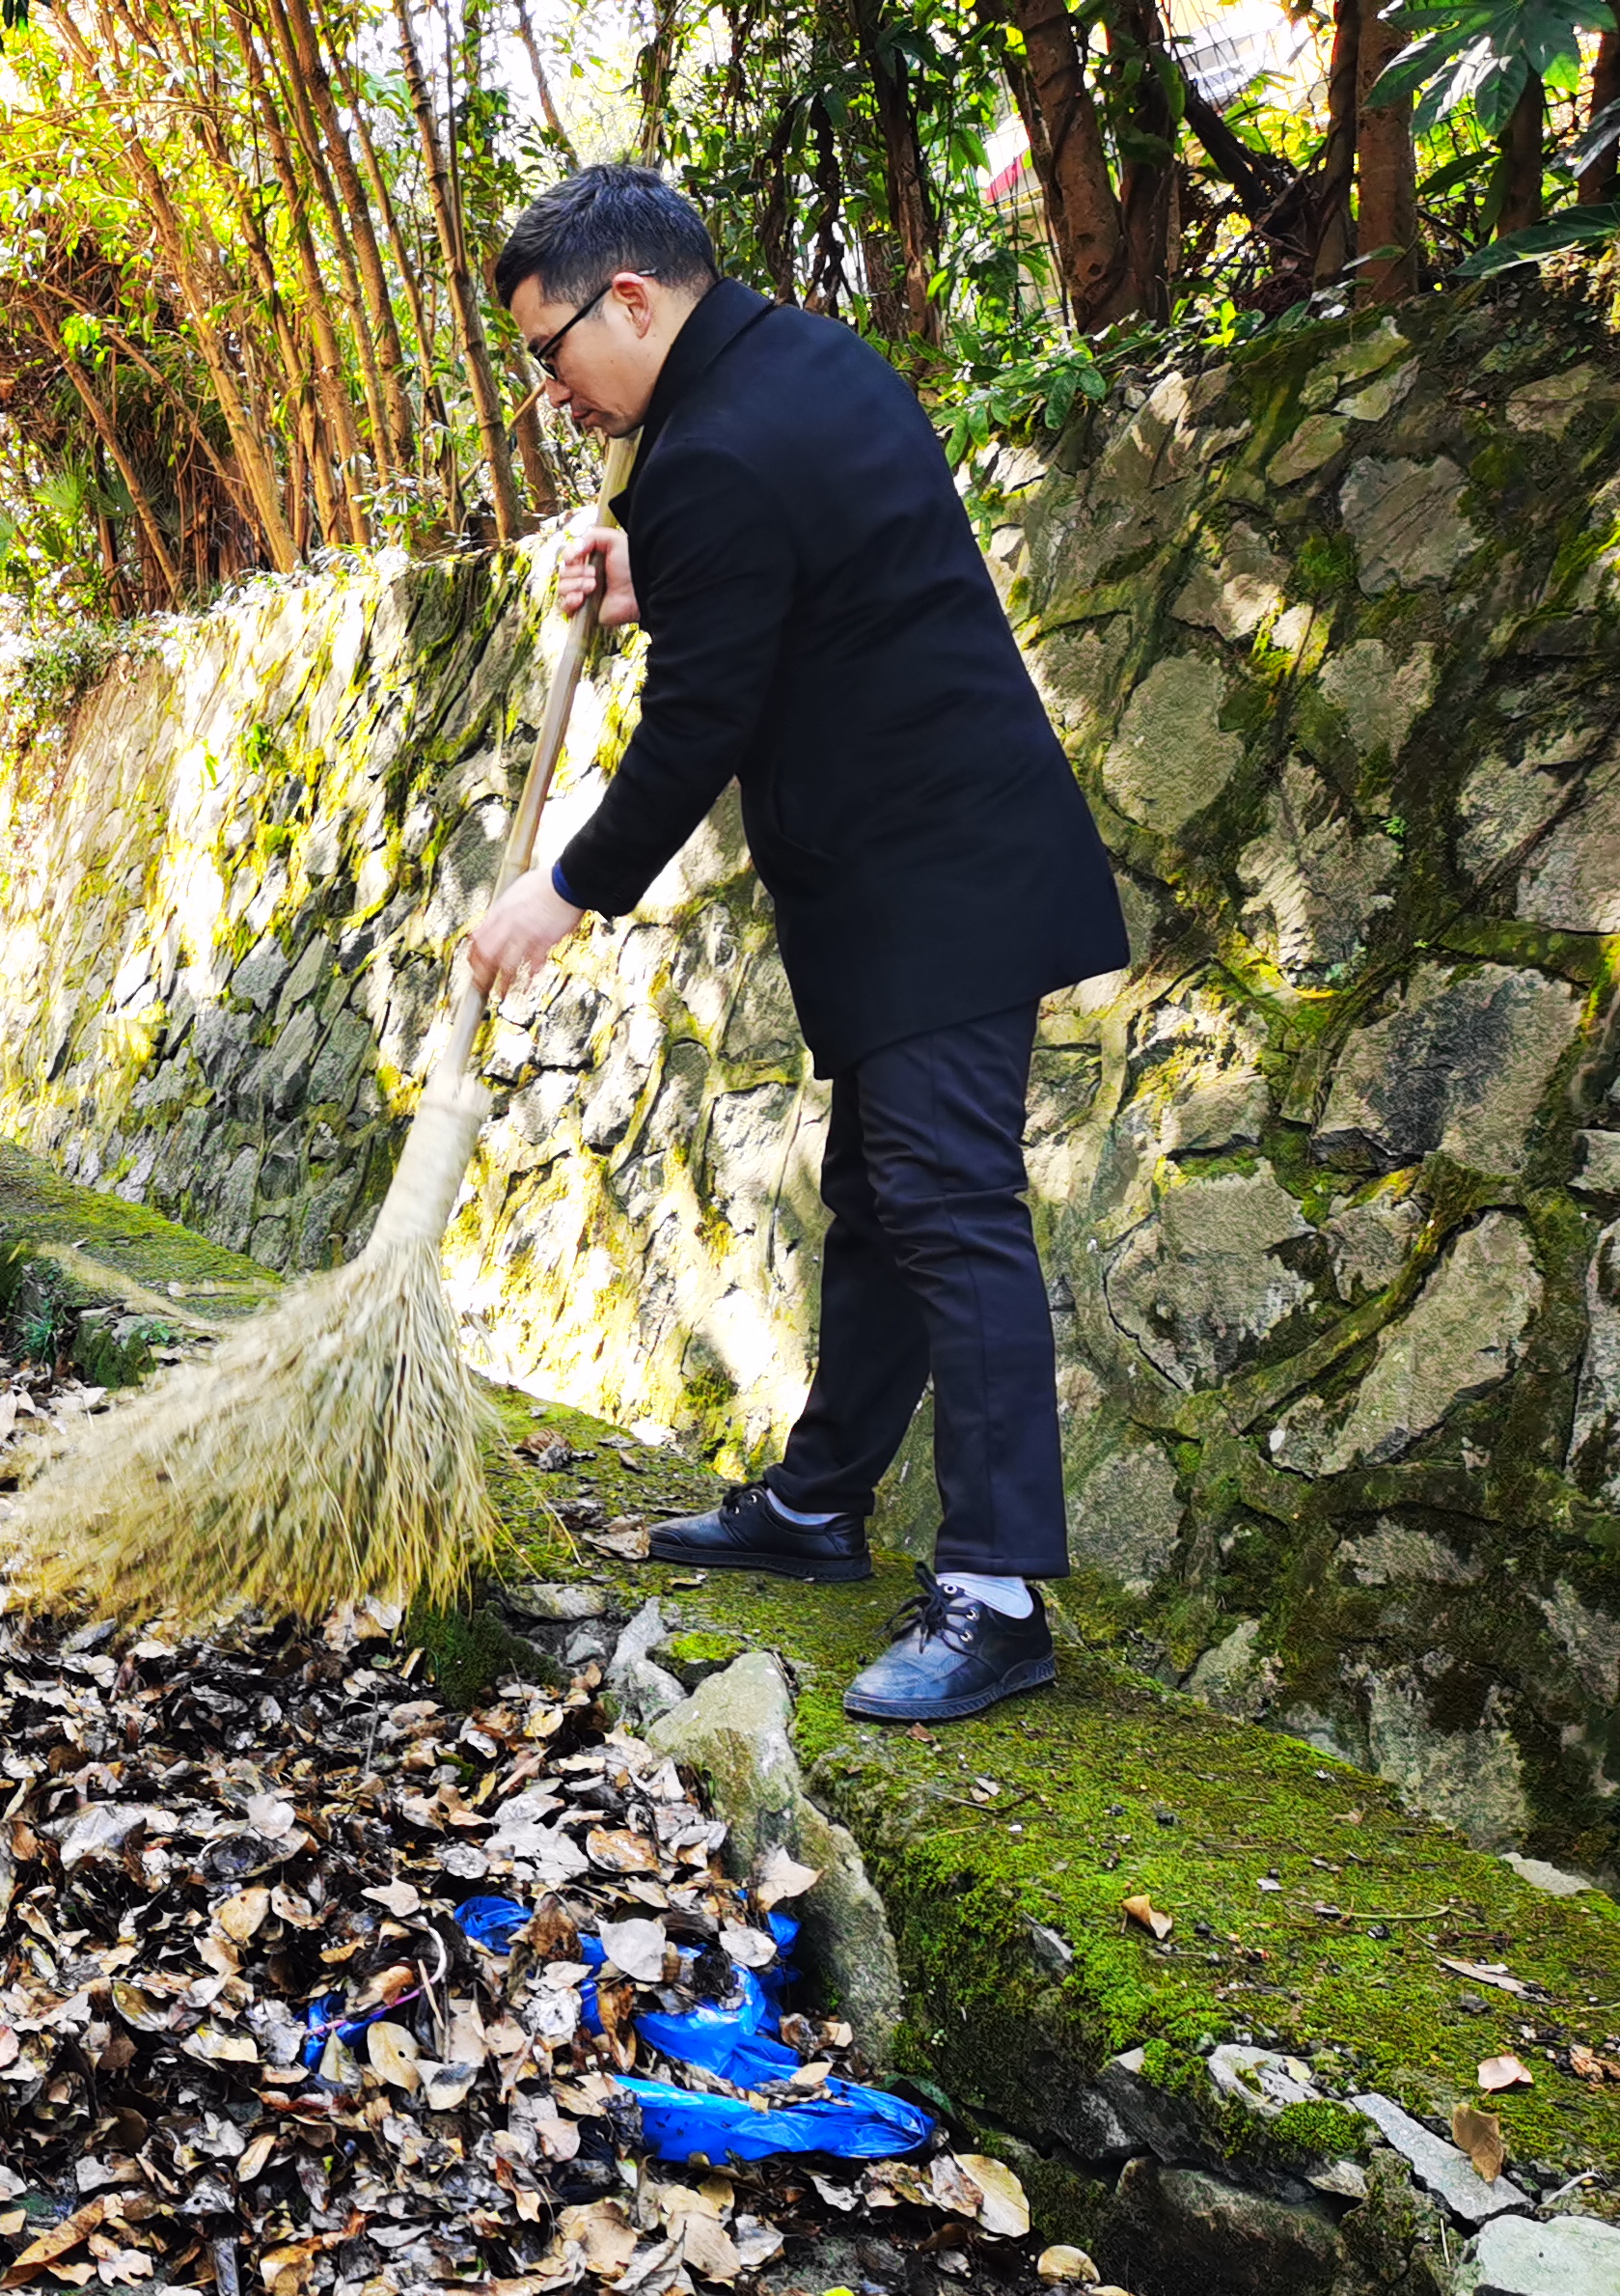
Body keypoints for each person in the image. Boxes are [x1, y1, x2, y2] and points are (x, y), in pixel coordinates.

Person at [463, 165, 1128, 1725]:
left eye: (550, 352)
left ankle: (996, 1597)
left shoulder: (711, 449)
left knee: (946, 1204)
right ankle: (822, 1504)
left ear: (630, 300)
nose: (551, 392)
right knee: (879, 1198)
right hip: (921, 855)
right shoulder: (801, 361)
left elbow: (702, 720)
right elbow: (800, 575)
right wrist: (655, 580)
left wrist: (558, 892)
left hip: (933, 870)